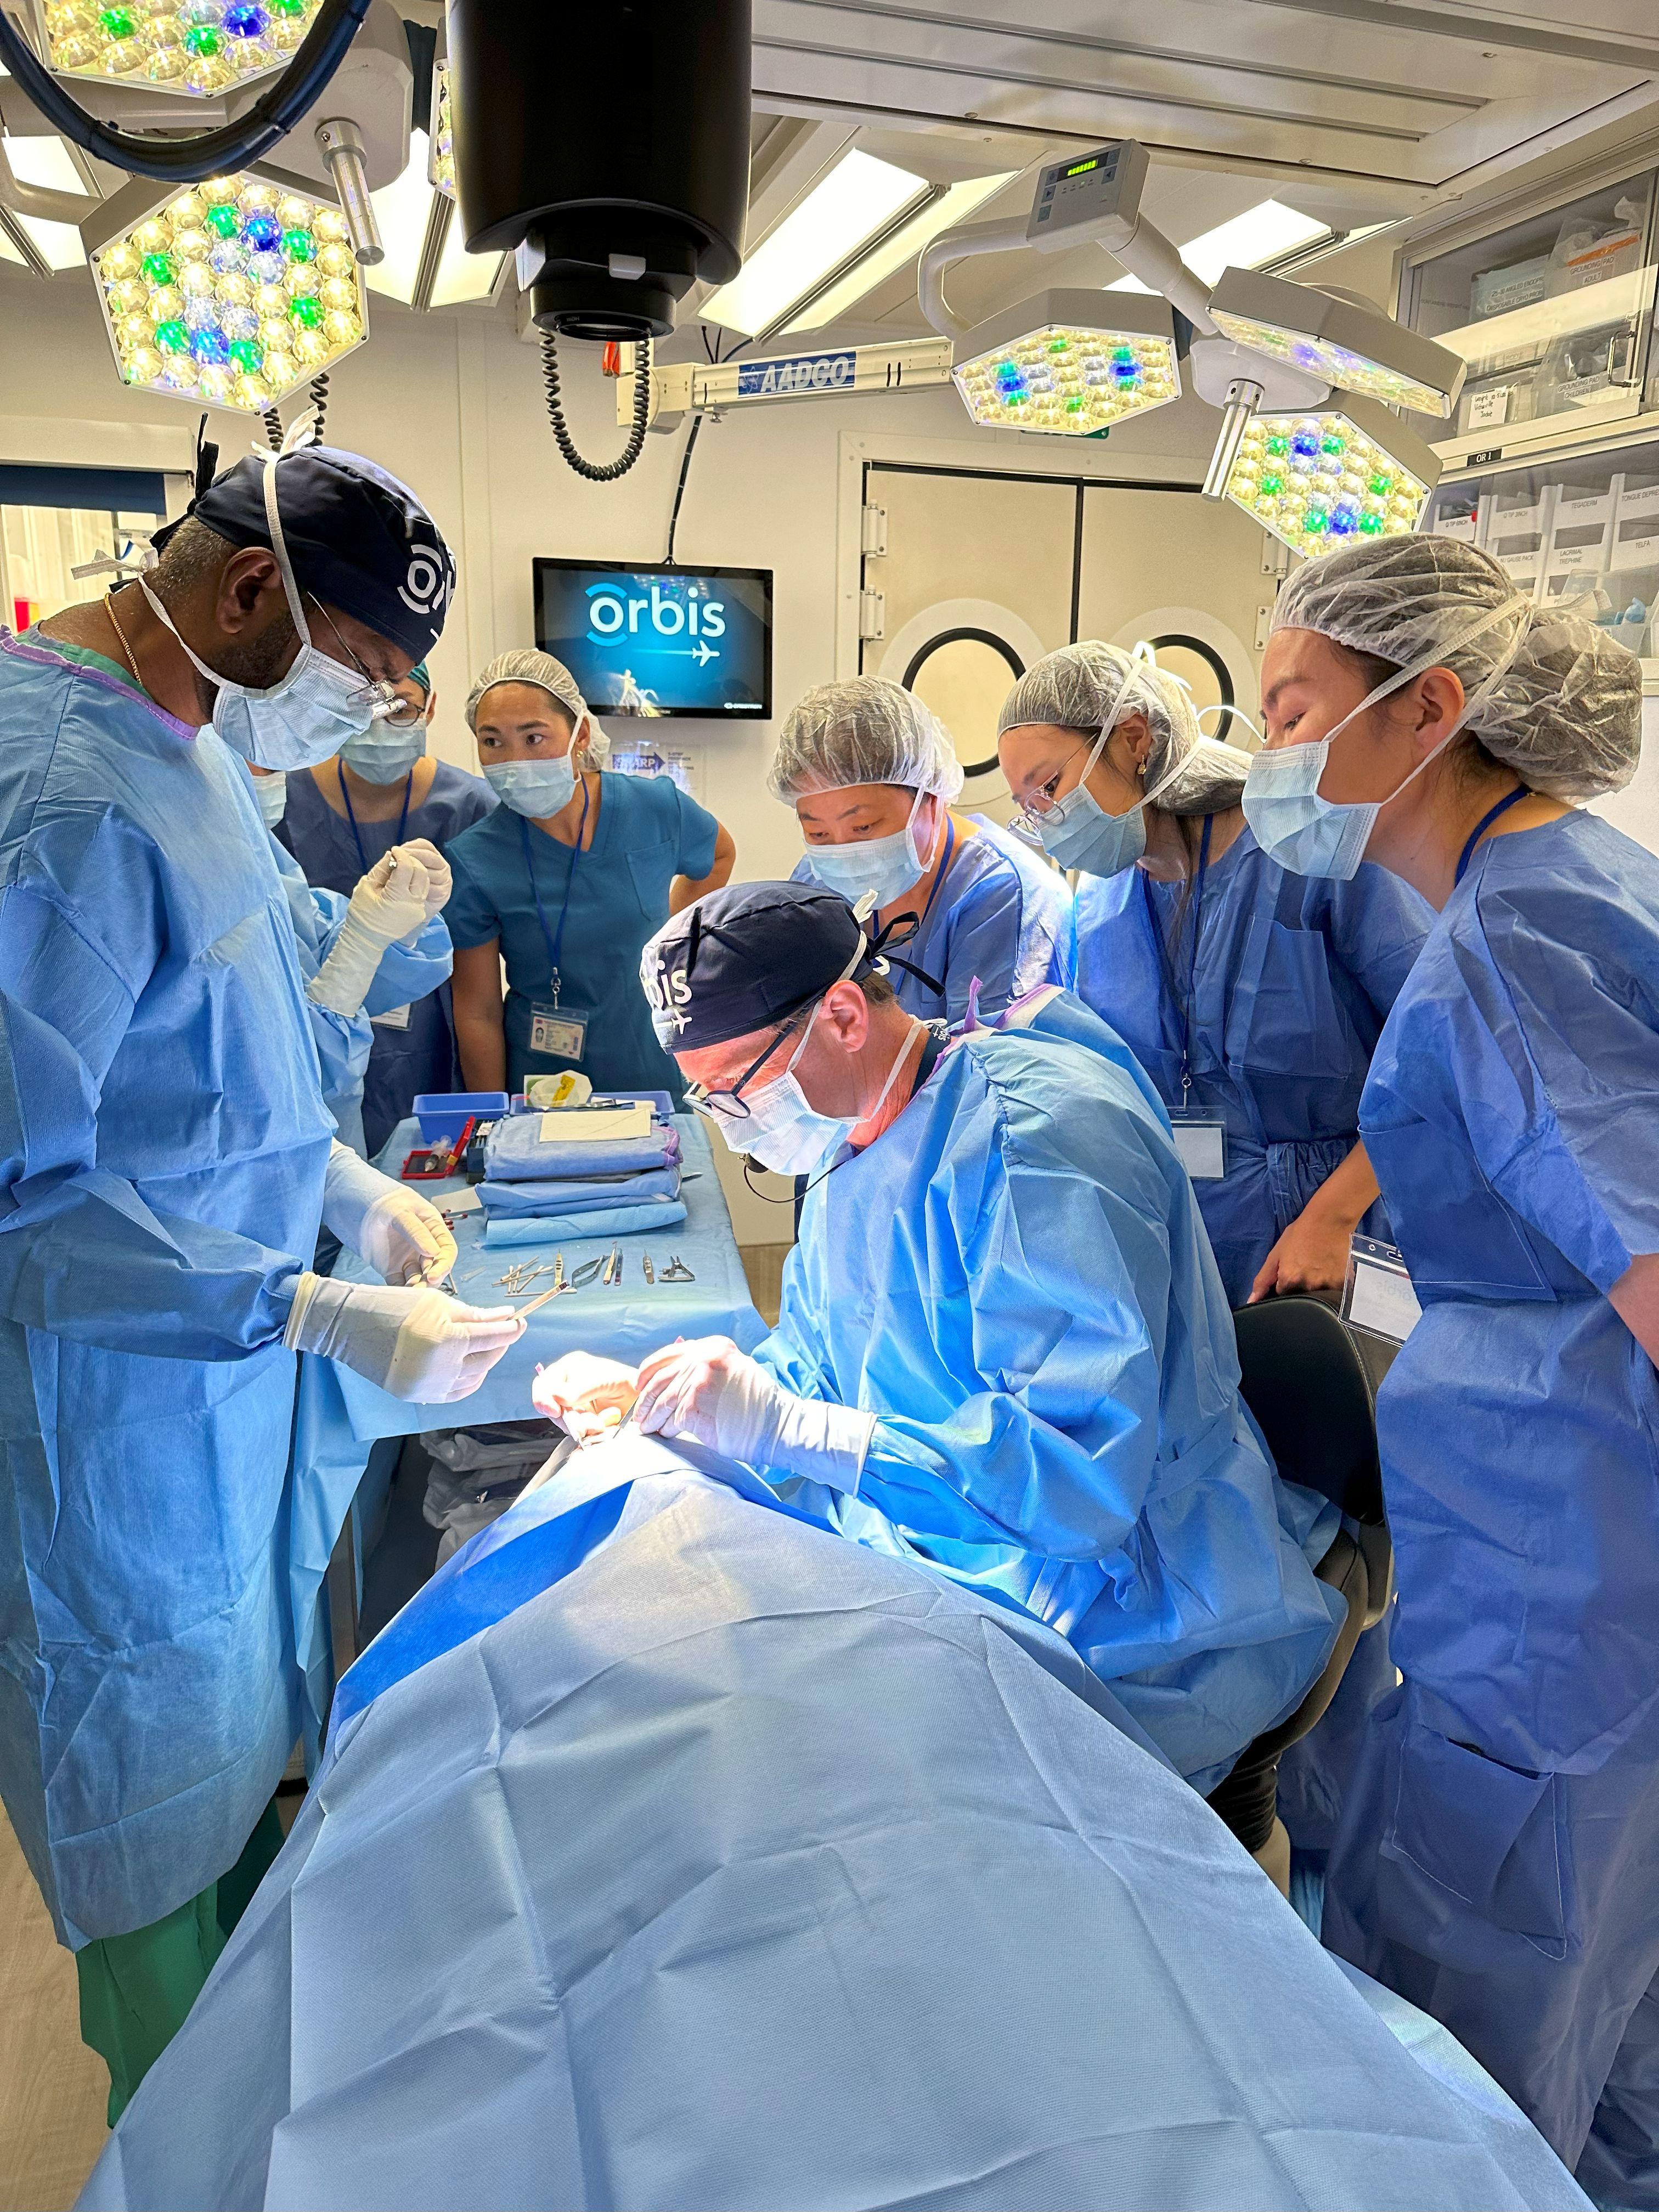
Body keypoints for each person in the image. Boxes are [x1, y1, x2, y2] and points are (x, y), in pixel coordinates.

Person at [0, 443, 523, 2117]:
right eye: (361, 673)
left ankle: (243, 2108)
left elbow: (213, 1071)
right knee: (148, 1835)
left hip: (206, 1415)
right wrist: (302, 1303)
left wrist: (346, 1185)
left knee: (230, 1805)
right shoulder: (59, 797)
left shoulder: (191, 747)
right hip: (108, 1440)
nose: (367, 712)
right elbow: (19, 1202)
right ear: (250, 593)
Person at [542, 881, 1345, 1812]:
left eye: (735, 1086)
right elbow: (821, 1358)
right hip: (941, 1555)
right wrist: (680, 1399)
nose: (727, 1118)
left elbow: (1076, 1479)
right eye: (705, 1092)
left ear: (840, 1015)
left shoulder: (1035, 1144)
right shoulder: (857, 1136)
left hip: (1127, 1611)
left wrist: (792, 1429)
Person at [1244, 531, 1657, 2206]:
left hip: (1569, 1596)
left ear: (1427, 706)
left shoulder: (1517, 938)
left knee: (1485, 2037)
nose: (1266, 748)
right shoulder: (1555, 884)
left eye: (1290, 703)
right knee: (1612, 2021)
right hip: (1566, 1560)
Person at [998, 642, 1432, 1309]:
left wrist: (1334, 1217)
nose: (1045, 819)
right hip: (1200, 1239)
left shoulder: (1311, 857)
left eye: (1051, 787)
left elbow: (1442, 1054)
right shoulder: (1100, 908)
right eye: (1029, 806)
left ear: (1134, 739)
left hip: (1355, 1232)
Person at [445, 648, 736, 1101]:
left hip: (647, 1068)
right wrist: (491, 1118)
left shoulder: (655, 810)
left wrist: (669, 937)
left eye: (534, 738)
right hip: (540, 1087)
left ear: (580, 733)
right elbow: (478, 1010)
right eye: (493, 741)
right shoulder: (475, 860)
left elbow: (719, 856)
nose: (513, 759)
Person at [276, 661, 498, 1156]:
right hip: (315, 1035)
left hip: (437, 1042)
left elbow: (480, 967)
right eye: (363, 706)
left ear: (430, 707)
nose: (379, 724)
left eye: (399, 708)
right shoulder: (282, 799)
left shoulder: (470, 806)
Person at [774, 676, 1074, 1024]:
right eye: (818, 832)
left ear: (930, 800)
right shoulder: (815, 879)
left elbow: (991, 1065)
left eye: (864, 827)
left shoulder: (1006, 897)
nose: (844, 852)